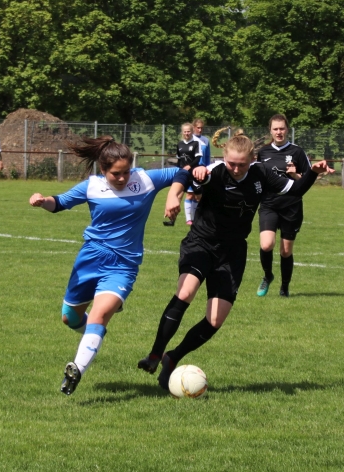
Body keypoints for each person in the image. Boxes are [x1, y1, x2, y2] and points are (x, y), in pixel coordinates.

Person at [137, 133, 333, 389]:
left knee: (215, 320)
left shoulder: (261, 173)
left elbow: (295, 190)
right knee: (185, 292)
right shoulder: (215, 171)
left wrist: (313, 173)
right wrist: (175, 194)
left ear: (252, 159)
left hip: (232, 252)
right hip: (201, 244)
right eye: (231, 163)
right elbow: (184, 174)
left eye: (242, 164)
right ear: (224, 158)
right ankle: (154, 355)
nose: (236, 169)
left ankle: (172, 357)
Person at [30, 136, 189, 395]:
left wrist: (173, 194)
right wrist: (41, 200)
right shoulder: (92, 186)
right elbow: (58, 203)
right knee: (70, 318)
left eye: (126, 171)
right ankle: (94, 334)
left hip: (123, 264)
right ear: (103, 170)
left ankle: (76, 370)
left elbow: (183, 171)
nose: (123, 178)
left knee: (99, 315)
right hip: (90, 259)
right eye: (116, 173)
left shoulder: (145, 179)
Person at [255, 113, 311, 298]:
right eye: (275, 129)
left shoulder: (297, 152)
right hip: (269, 204)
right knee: (266, 245)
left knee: (286, 251)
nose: (279, 132)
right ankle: (267, 275)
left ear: (287, 130)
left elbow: (308, 180)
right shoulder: (263, 152)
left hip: (291, 206)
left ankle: (285, 287)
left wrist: (295, 175)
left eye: (282, 128)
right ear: (270, 131)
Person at [174, 123, 203, 226]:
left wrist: (190, 166)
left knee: (198, 196)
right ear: (182, 132)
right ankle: (187, 219)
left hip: (194, 173)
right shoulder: (179, 144)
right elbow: (179, 160)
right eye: (185, 131)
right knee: (182, 195)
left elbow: (198, 158)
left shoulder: (196, 143)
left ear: (192, 132)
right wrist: (178, 170)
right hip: (183, 174)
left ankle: (196, 218)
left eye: (188, 131)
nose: (187, 133)